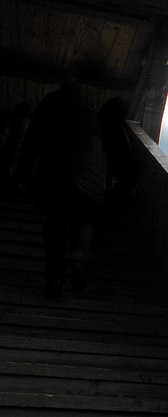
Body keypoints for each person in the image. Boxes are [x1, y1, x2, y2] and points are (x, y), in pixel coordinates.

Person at [20, 74, 107, 298]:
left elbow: (32, 138)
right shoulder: (90, 113)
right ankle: (77, 264)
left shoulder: (53, 102)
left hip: (62, 173)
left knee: (56, 224)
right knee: (83, 222)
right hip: (93, 180)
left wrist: (23, 174)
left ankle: (55, 279)